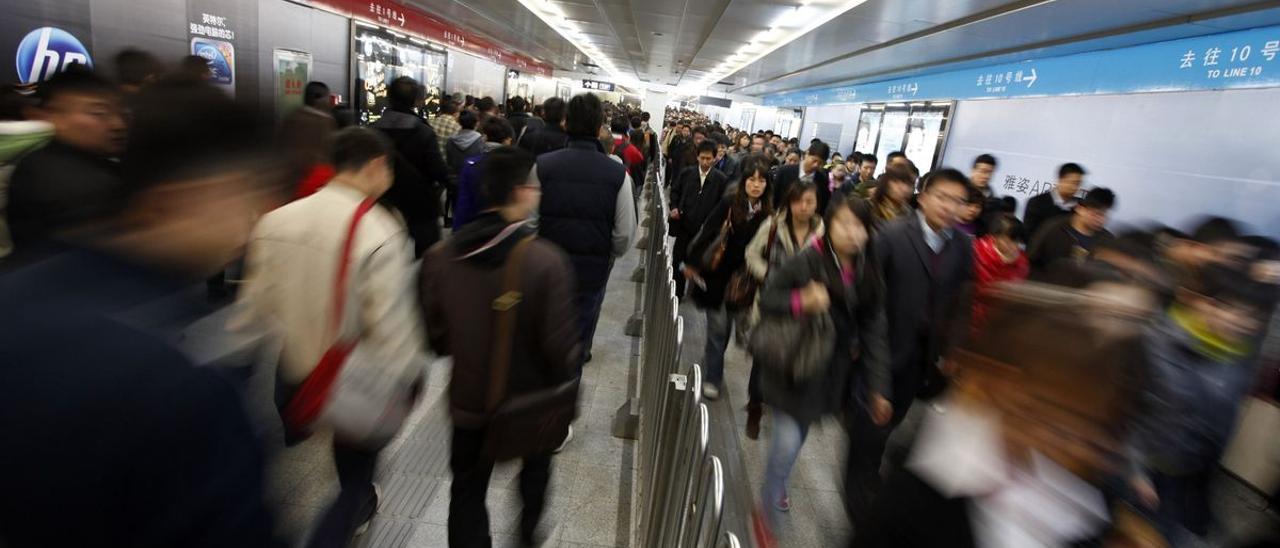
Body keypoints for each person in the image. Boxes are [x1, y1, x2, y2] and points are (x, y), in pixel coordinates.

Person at [0, 77, 278, 548]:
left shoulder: (21, 293)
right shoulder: (181, 383)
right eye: (245, 195)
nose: (254, 221)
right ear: (183, 196)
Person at [853, 281, 1157, 548]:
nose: (1076, 445)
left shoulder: (1092, 512)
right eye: (1050, 416)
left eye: (1093, 430)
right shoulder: (923, 495)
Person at [237, 127, 426, 548]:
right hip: (348, 376)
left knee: (279, 475)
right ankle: (346, 518)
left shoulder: (276, 218)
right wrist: (408, 375)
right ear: (377, 165)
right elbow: (389, 323)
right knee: (355, 477)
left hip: (293, 374)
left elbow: (252, 309)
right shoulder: (379, 229)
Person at [421, 146, 580, 548]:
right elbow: (560, 349)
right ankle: (526, 534)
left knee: (467, 490)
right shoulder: (546, 261)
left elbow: (435, 339)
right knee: (535, 473)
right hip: (532, 400)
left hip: (471, 400)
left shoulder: (440, 258)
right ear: (521, 191)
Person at [752, 196, 890, 545]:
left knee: (796, 436)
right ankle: (766, 515)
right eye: (844, 223)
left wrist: (878, 386)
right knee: (786, 443)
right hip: (795, 368)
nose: (853, 232)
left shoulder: (868, 270)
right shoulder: (807, 260)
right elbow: (769, 298)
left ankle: (777, 484)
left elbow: (875, 329)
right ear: (829, 224)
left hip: (830, 376)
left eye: (860, 226)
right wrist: (801, 302)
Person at [846, 168, 974, 531]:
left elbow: (963, 301)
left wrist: (954, 349)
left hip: (920, 360)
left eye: (958, 201)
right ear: (923, 196)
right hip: (879, 351)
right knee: (868, 434)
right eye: (942, 197)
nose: (950, 207)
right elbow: (867, 300)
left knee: (890, 424)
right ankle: (860, 517)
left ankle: (870, 482)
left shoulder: (963, 246)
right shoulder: (891, 235)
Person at [1130, 263, 1274, 544]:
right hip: (1149, 468)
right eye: (1236, 311)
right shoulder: (1160, 343)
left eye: (1252, 317)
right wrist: (1134, 470)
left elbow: (1223, 413)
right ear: (1209, 305)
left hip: (1194, 470)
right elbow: (1130, 408)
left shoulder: (1239, 355)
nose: (1243, 323)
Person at [536, 93, 635, 366]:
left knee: (539, 336)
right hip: (589, 274)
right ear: (598, 127)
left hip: (543, 271)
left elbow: (528, 221)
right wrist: (605, 250)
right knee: (576, 343)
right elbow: (625, 234)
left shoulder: (543, 166)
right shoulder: (618, 176)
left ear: (566, 123)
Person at [6, 67, 126, 261]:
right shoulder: (61, 181)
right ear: (47, 116)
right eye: (98, 113)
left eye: (120, 113)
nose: (117, 124)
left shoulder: (83, 164)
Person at [685, 153, 773, 400]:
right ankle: (713, 377)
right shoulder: (729, 203)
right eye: (752, 179)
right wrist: (692, 262)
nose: (756, 185)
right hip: (718, 275)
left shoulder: (768, 215)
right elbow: (709, 230)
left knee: (729, 329)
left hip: (744, 283)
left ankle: (711, 362)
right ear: (744, 181)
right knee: (717, 329)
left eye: (761, 181)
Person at [742, 180, 826, 439]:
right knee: (763, 361)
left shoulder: (822, 235)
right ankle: (755, 407)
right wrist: (768, 274)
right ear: (789, 202)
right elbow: (751, 254)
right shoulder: (773, 226)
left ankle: (780, 406)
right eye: (798, 201)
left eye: (809, 201)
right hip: (770, 307)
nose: (803, 207)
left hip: (803, 312)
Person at [372, 76, 449, 255]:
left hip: (381, 205)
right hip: (419, 209)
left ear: (388, 97)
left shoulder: (372, 129)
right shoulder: (423, 132)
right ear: (417, 100)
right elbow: (438, 171)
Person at [670, 140, 726, 299]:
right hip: (684, 227)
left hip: (705, 233)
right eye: (702, 158)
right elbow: (675, 192)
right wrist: (674, 206)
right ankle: (677, 294)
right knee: (678, 262)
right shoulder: (687, 173)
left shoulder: (721, 180)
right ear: (697, 157)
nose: (705, 162)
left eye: (709, 158)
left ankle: (693, 293)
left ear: (715, 158)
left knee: (696, 263)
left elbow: (722, 205)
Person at [1028, 187, 1116, 279]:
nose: (1100, 220)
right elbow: (1032, 258)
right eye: (1095, 214)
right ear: (1080, 209)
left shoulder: (1107, 240)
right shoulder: (1053, 227)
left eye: (1104, 215)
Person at [452, 116, 514, 229]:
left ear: (485, 138)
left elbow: (464, 205)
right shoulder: (516, 165)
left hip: (475, 230)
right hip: (506, 230)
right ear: (508, 140)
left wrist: (457, 232)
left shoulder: (471, 165)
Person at [971, 214, 1029, 333]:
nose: (1014, 246)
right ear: (995, 237)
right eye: (1009, 241)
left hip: (1000, 325)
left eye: (1017, 241)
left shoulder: (1022, 263)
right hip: (971, 319)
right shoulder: (976, 252)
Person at [280, 81, 339, 199]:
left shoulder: (291, 116)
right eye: (327, 97)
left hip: (289, 180)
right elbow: (330, 152)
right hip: (314, 181)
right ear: (319, 99)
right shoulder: (325, 121)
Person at [1023, 162, 1085, 240]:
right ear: (1060, 180)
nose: (1076, 187)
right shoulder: (1037, 202)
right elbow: (1028, 235)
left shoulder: (1080, 207)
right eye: (1073, 183)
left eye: (1079, 184)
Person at [773, 141, 832, 216]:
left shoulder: (822, 180)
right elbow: (775, 197)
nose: (816, 165)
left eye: (820, 163)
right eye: (814, 160)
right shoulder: (784, 172)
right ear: (807, 154)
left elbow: (823, 205)